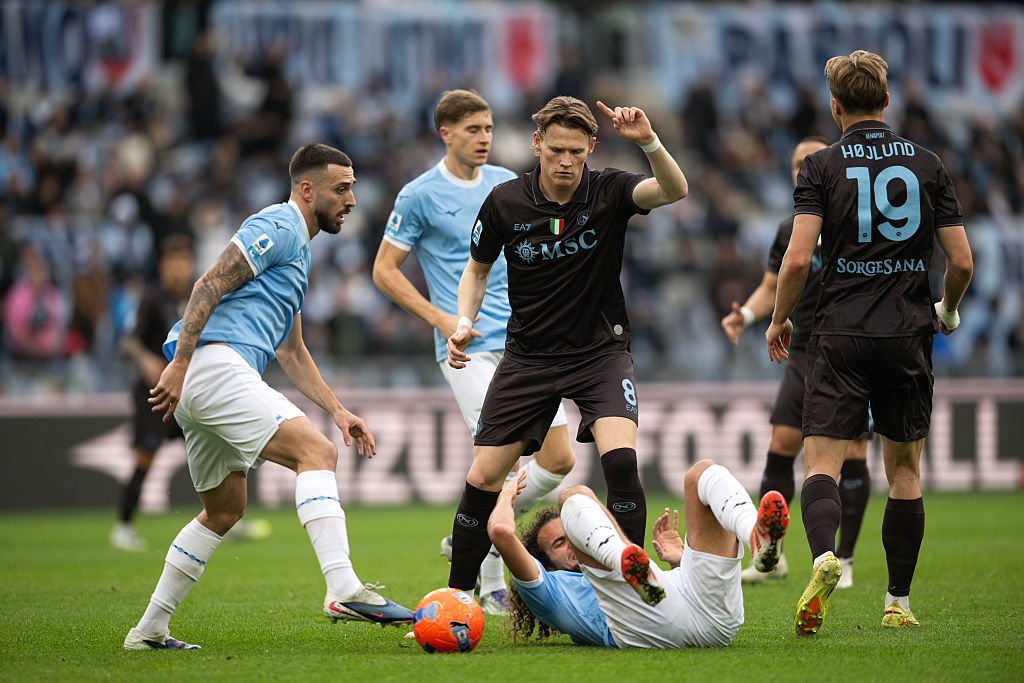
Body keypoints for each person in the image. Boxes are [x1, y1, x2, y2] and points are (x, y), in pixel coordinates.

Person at [123, 143, 414, 651]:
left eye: (352, 189)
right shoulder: (277, 226)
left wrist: (339, 411)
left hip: (206, 377)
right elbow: (207, 284)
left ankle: (147, 631)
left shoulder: (298, 254)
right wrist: (182, 363)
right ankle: (343, 587)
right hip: (211, 366)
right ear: (307, 189)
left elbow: (292, 351)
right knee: (315, 454)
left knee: (223, 511)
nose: (350, 200)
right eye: (340, 189)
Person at [444, 96, 689, 595]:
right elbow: (477, 268)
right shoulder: (505, 202)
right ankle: (457, 597)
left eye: (576, 152)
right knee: (482, 478)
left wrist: (648, 141)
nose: (565, 161)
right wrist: (464, 321)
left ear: (591, 148)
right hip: (529, 356)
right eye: (556, 149)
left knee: (621, 461)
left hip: (600, 352)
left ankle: (628, 594)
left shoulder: (611, 190)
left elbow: (674, 190)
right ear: (537, 144)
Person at [766, 50, 973, 634]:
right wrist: (948, 311)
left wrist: (781, 319)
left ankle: (827, 556)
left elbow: (799, 257)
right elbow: (960, 260)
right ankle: (898, 603)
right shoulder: (928, 164)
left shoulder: (821, 167)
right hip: (908, 330)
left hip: (838, 331)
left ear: (835, 107)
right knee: (904, 471)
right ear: (887, 101)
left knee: (822, 464)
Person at [371, 89, 575, 614]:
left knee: (559, 460)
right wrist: (442, 319)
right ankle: (489, 587)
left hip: (528, 344)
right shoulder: (419, 194)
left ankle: (469, 526)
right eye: (472, 130)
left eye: (487, 128)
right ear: (446, 133)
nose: (484, 137)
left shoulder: (508, 183)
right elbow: (384, 271)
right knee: (500, 460)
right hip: (468, 349)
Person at [721, 137, 872, 588]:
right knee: (783, 441)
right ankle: (773, 551)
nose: (799, 170)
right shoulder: (790, 229)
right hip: (804, 348)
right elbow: (772, 285)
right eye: (793, 164)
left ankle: (843, 560)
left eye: (808, 162)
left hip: (849, 348)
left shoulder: (857, 221)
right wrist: (746, 315)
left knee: (854, 451)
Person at [487, 464, 789, 648]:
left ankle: (757, 537)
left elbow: (674, 600)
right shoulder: (549, 590)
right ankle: (622, 558)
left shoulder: (635, 567)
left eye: (570, 535)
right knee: (571, 495)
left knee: (700, 474)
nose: (571, 544)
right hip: (641, 628)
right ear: (546, 564)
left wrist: (679, 560)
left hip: (718, 622)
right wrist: (505, 494)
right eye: (559, 543)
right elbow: (501, 532)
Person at [111, 235, 194, 551]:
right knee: (145, 457)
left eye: (183, 262)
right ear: (162, 266)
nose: (177, 269)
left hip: (187, 393)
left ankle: (224, 517)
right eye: (172, 263)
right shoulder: (151, 298)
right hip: (154, 394)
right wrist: (145, 359)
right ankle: (123, 526)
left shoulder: (197, 296)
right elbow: (128, 342)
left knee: (212, 450)